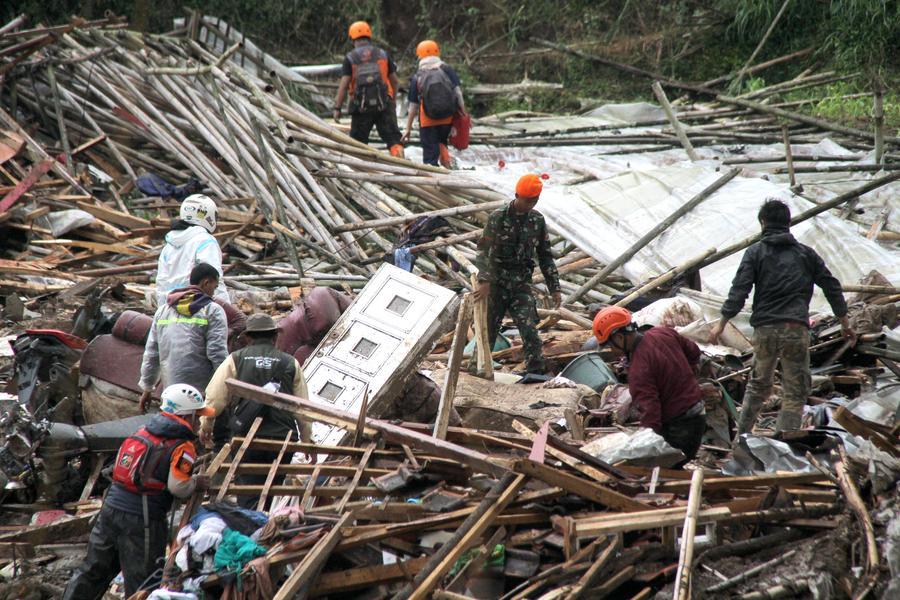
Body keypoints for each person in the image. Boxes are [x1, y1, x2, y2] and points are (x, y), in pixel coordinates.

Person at [709, 198, 856, 435]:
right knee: (795, 390)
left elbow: (739, 291)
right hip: (795, 329)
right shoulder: (806, 254)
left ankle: (742, 438)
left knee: (758, 386)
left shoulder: (755, 252)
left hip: (765, 330)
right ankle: (784, 441)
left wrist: (721, 323)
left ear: (762, 223)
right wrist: (844, 322)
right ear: (788, 223)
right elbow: (832, 286)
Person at [62, 384, 212, 599]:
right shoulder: (182, 445)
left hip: (111, 507)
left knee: (93, 570)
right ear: (187, 416)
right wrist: (196, 482)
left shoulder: (143, 430)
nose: (199, 421)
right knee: (143, 581)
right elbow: (178, 488)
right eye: (197, 416)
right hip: (142, 518)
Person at [201, 313, 311, 508]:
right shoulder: (289, 362)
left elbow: (215, 397)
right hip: (282, 438)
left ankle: (251, 527)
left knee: (249, 490)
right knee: (271, 489)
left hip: (247, 437)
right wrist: (306, 439)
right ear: (275, 337)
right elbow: (302, 407)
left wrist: (206, 425)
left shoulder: (235, 359)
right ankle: (263, 526)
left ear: (248, 337)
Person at [593, 306, 706, 462]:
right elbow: (694, 352)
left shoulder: (639, 369)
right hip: (698, 412)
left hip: (680, 427)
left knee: (668, 475)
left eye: (610, 345)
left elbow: (650, 413)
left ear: (619, 338)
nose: (612, 351)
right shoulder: (662, 332)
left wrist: (643, 443)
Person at [473, 174, 561, 374]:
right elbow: (482, 250)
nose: (530, 205)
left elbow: (545, 256)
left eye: (534, 201)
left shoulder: (537, 221)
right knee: (487, 331)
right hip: (496, 283)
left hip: (521, 284)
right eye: (527, 201)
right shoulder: (498, 217)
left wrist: (554, 287)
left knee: (529, 328)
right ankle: (477, 369)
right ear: (516, 196)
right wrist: (484, 280)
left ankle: (536, 372)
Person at [139, 263, 229, 413]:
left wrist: (147, 388)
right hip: (201, 394)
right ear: (206, 282)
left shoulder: (163, 310)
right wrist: (224, 388)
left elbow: (152, 353)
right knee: (197, 432)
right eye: (214, 287)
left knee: (173, 430)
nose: (214, 293)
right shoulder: (212, 310)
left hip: (171, 392)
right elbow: (217, 353)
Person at [333, 20, 404, 158]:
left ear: (352, 38)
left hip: (360, 106)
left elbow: (344, 85)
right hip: (385, 102)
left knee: (358, 143)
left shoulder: (350, 58)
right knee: (394, 139)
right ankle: (403, 168)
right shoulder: (382, 54)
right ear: (369, 36)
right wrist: (392, 100)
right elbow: (395, 81)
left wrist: (337, 108)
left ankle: (362, 174)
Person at [401, 40, 466, 168]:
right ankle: (449, 170)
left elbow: (413, 106)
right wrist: (463, 113)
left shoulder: (418, 76)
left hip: (428, 122)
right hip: (447, 119)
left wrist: (408, 128)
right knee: (442, 142)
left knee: (430, 157)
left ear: (420, 55)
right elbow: (458, 94)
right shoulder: (447, 70)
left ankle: (433, 180)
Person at [156, 193, 229, 306]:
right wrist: (225, 308)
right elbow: (214, 279)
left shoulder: (169, 245)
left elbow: (161, 283)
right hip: (197, 305)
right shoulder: (205, 241)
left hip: (171, 304)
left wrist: (162, 310)